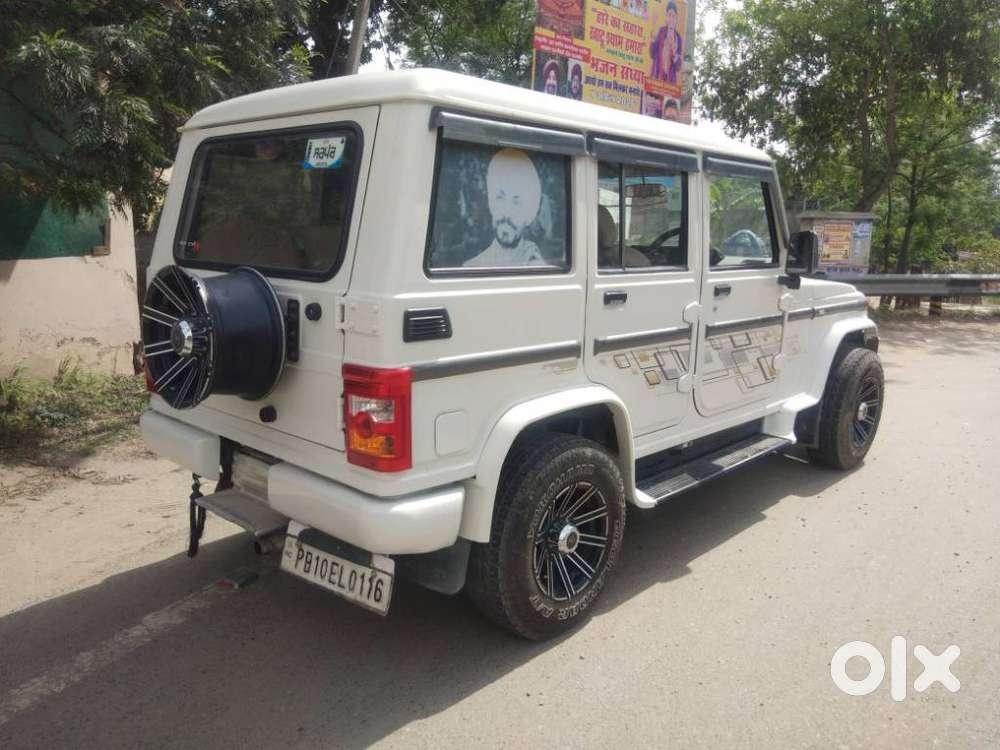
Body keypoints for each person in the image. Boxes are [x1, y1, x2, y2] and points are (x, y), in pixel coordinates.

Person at [464, 149, 545, 268]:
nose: (506, 213)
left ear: (530, 214)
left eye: (516, 202)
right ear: (491, 203)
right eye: (500, 198)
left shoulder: (538, 268)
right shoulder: (471, 267)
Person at [649, 0, 683, 85]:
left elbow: (678, 67)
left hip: (669, 84)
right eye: (669, 15)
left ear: (676, 18)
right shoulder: (661, 31)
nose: (671, 19)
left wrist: (674, 53)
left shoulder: (678, 39)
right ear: (666, 16)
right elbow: (652, 54)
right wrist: (653, 36)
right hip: (657, 78)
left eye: (673, 16)